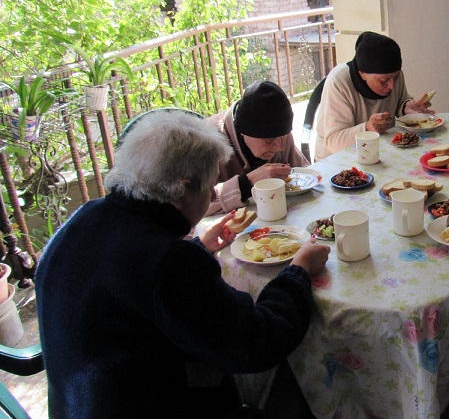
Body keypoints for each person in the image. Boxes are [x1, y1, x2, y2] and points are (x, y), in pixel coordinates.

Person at [35, 110, 330, 418]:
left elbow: (139, 286)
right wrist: (298, 271)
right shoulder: (171, 262)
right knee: (290, 382)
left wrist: (199, 247)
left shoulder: (84, 217)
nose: (213, 193)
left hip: (75, 407)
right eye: (211, 185)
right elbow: (257, 342)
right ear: (180, 190)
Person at [314, 31, 433, 160]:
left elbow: (399, 102)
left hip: (380, 153)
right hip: (336, 160)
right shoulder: (339, 81)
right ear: (363, 74)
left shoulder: (392, 76)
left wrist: (405, 107)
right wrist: (368, 128)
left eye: (396, 77)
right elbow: (334, 141)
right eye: (383, 81)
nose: (392, 86)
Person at [206, 80, 309, 215]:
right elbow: (191, 209)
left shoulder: (280, 135)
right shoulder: (208, 144)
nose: (280, 147)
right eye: (269, 139)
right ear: (243, 132)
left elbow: (307, 175)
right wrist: (246, 183)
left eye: (284, 136)